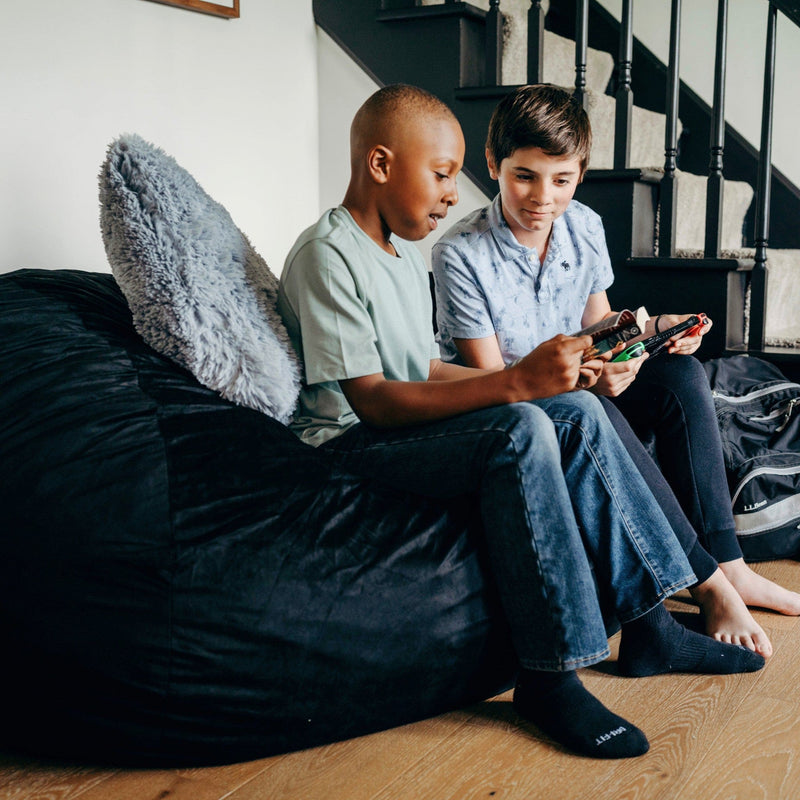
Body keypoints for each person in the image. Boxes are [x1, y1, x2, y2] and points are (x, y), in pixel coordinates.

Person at [277, 84, 764, 760]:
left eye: (454, 175)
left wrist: (552, 374)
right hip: (348, 445)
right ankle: (548, 676)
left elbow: (421, 368)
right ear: (381, 165)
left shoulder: (395, 249)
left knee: (572, 412)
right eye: (442, 174)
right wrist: (512, 386)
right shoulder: (329, 254)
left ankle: (650, 625)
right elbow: (375, 402)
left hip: (393, 424)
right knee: (525, 426)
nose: (453, 193)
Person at [431, 83, 800, 659]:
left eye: (562, 180)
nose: (542, 198)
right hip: (525, 404)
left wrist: (654, 333)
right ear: (493, 165)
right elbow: (494, 383)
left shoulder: (584, 225)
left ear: (580, 174)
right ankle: (706, 583)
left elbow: (600, 326)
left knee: (682, 377)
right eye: (524, 176)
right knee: (593, 404)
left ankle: (731, 560)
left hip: (584, 380)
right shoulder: (459, 254)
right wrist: (593, 379)